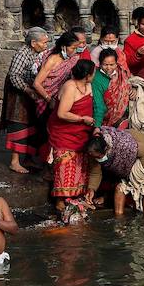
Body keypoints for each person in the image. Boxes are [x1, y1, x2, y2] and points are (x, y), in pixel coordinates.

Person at [47, 59, 96, 220]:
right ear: (88, 75)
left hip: (81, 133)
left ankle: (76, 197)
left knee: (80, 164)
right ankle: (60, 201)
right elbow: (62, 113)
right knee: (65, 164)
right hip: (65, 132)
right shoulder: (70, 86)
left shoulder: (88, 86)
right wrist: (82, 119)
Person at [0, 27, 50, 176]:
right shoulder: (22, 54)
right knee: (19, 125)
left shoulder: (39, 54)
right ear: (33, 43)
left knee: (33, 126)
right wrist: (28, 90)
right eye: (43, 42)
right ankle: (14, 161)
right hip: (19, 96)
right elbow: (14, 76)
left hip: (32, 94)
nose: (46, 45)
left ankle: (29, 157)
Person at [91, 47, 130, 129]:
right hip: (105, 119)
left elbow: (128, 85)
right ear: (100, 64)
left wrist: (133, 90)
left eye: (112, 65)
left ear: (116, 63)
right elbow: (98, 104)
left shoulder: (122, 72)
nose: (109, 68)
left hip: (125, 117)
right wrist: (97, 126)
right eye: (105, 65)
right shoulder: (96, 79)